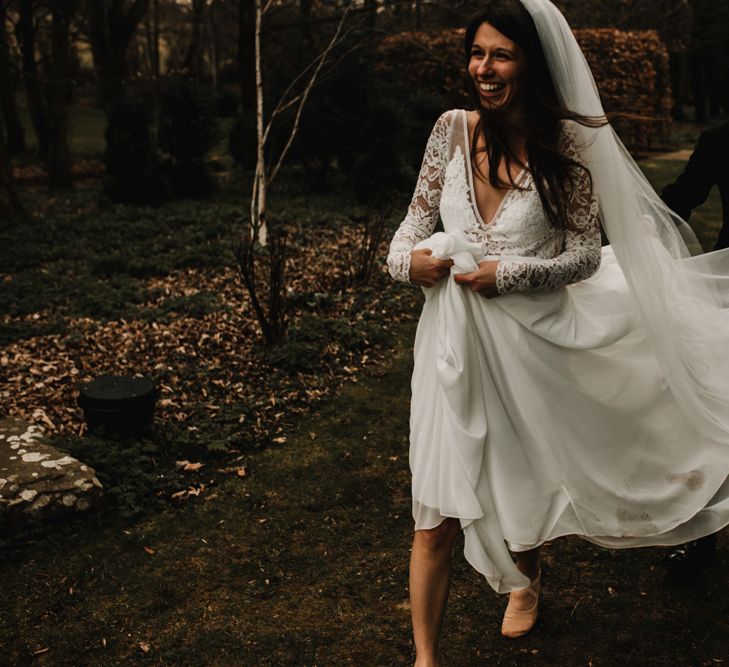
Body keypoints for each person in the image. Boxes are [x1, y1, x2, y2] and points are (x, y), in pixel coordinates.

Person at [387, 0, 729, 663]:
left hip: (531, 340)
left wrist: (507, 274)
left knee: (521, 476)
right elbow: (407, 228)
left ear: (532, 64)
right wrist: (409, 262)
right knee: (433, 511)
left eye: (501, 55)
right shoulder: (449, 130)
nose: (483, 69)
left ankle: (525, 579)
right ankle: (425, 657)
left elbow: (580, 254)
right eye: (477, 53)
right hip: (448, 346)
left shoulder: (568, 146)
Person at [660, 121, 729, 580]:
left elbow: (682, 199)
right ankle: (703, 538)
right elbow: (682, 199)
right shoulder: (721, 139)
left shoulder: (721, 137)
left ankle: (702, 544)